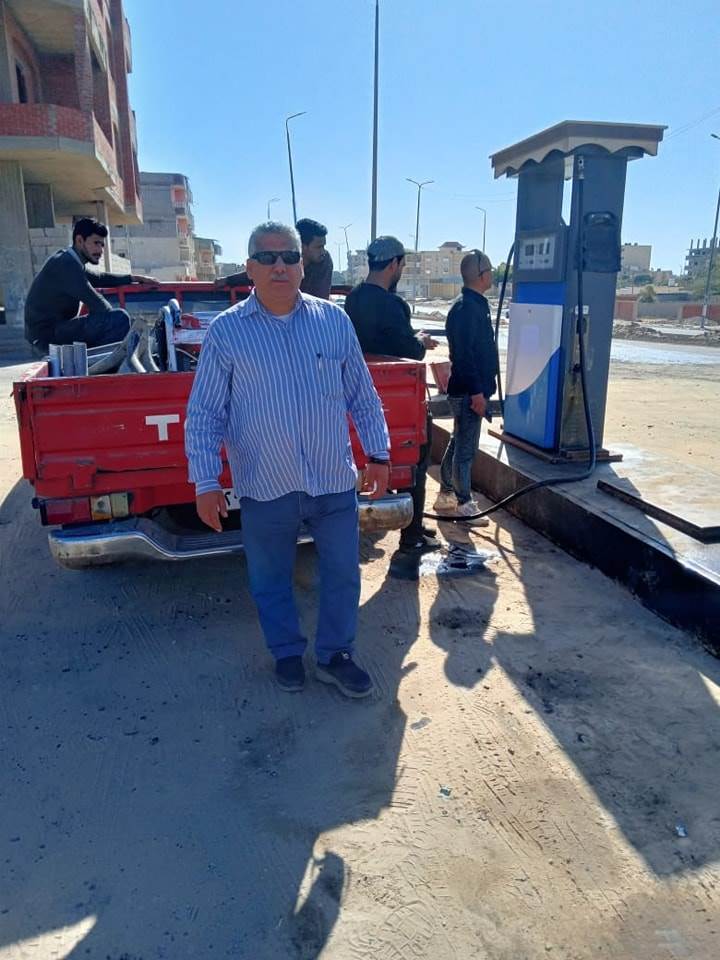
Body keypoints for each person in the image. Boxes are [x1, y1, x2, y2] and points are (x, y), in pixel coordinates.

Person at [185, 221, 391, 698]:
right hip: (265, 484)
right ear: (250, 267)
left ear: (303, 266)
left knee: (343, 574)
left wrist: (379, 454)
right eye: (268, 257)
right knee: (270, 578)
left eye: (289, 257)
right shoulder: (227, 332)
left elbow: (362, 395)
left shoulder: (334, 322)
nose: (279, 266)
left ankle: (336, 655)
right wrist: (205, 481)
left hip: (332, 481)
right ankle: (286, 654)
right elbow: (206, 413)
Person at [344, 235, 438, 553]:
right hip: (398, 400)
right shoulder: (393, 305)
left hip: (358, 397)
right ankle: (412, 536)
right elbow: (409, 350)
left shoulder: (353, 299)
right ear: (394, 264)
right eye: (402, 265)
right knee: (416, 463)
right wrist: (421, 341)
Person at [24, 217, 157, 354]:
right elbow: (101, 306)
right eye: (96, 243)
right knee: (119, 319)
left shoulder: (70, 261)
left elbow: (99, 278)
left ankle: (98, 359)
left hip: (50, 332)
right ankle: (102, 364)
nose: (100, 250)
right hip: (46, 336)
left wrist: (133, 278)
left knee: (114, 320)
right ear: (79, 240)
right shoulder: (66, 265)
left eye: (102, 245)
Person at [434, 250, 498, 526]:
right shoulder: (466, 309)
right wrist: (477, 393)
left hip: (469, 389)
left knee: (458, 440)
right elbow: (465, 356)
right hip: (469, 391)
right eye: (490, 270)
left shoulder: (472, 305)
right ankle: (463, 503)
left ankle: (446, 493)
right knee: (466, 449)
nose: (492, 274)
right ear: (481, 275)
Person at [296, 218, 333, 299]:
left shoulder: (325, 260)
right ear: (302, 246)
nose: (323, 252)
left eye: (323, 246)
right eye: (319, 247)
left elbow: (321, 298)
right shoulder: (287, 262)